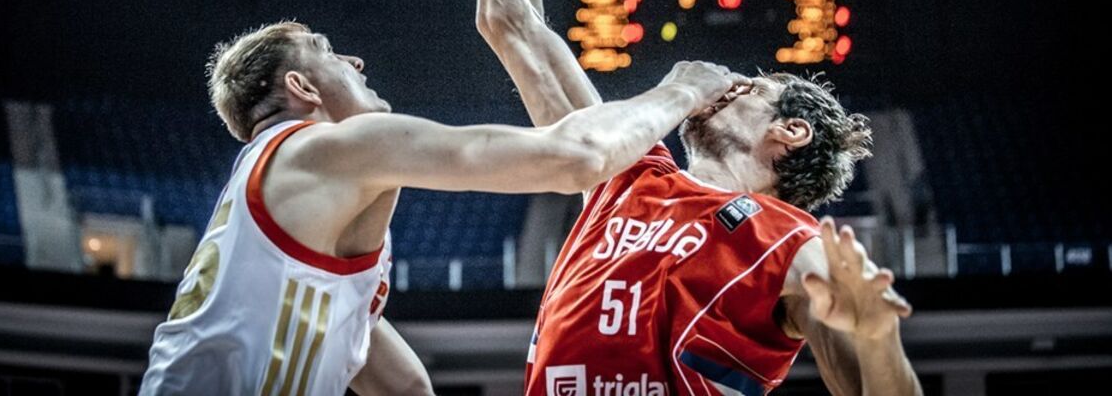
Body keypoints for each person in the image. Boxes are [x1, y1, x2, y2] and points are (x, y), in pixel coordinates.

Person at [454, 0, 922, 395]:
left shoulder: (793, 243)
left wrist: (877, 340)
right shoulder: (626, 173)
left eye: (751, 86)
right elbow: (506, 14)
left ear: (792, 131)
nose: (725, 87)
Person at [140, 20, 749, 395]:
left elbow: (402, 384)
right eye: (329, 52)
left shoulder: (282, 213)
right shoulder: (328, 148)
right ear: (301, 88)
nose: (355, 62)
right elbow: (576, 158)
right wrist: (682, 89)